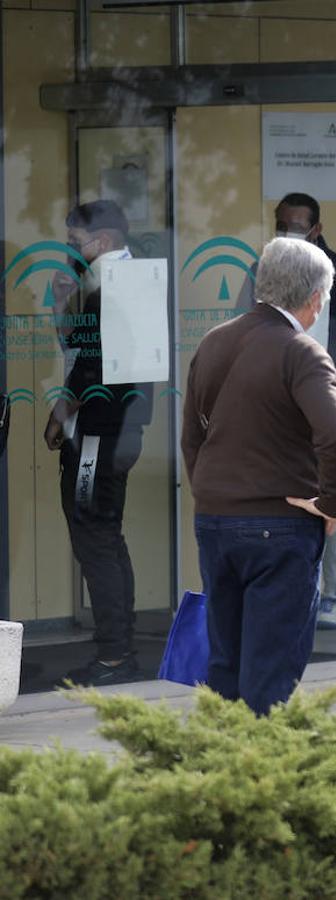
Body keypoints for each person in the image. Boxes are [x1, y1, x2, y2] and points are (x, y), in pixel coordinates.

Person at [182, 237, 336, 715]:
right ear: (315, 298)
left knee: (225, 662)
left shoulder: (214, 341)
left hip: (216, 522)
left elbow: (191, 438)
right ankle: (263, 774)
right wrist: (330, 504)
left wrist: (211, 491)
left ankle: (221, 769)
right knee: (271, 669)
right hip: (280, 526)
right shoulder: (302, 352)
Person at [236, 193, 336, 632]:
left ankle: (333, 594)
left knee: (328, 499)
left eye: (297, 226)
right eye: (281, 225)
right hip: (271, 410)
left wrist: (334, 401)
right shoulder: (260, 273)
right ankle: (287, 590)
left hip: (323, 408)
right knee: (274, 499)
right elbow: (239, 334)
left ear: (317, 230)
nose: (288, 234)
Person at [49, 200, 154, 687]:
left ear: (104, 242)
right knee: (106, 535)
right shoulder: (131, 283)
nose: (72, 251)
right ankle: (118, 647)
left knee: (94, 534)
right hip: (120, 431)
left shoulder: (111, 288)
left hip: (98, 435)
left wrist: (63, 409)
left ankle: (114, 654)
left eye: (76, 243)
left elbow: (90, 363)